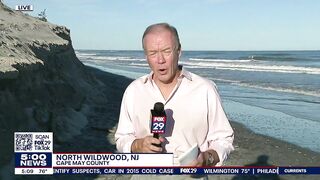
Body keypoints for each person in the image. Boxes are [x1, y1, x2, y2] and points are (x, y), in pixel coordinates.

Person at [115, 23, 234, 167]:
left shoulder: (205, 89)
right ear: (146, 55)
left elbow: (223, 139)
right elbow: (122, 138)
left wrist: (206, 158)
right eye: (153, 53)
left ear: (179, 51)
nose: (160, 60)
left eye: (166, 51)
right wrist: (137, 145)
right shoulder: (134, 91)